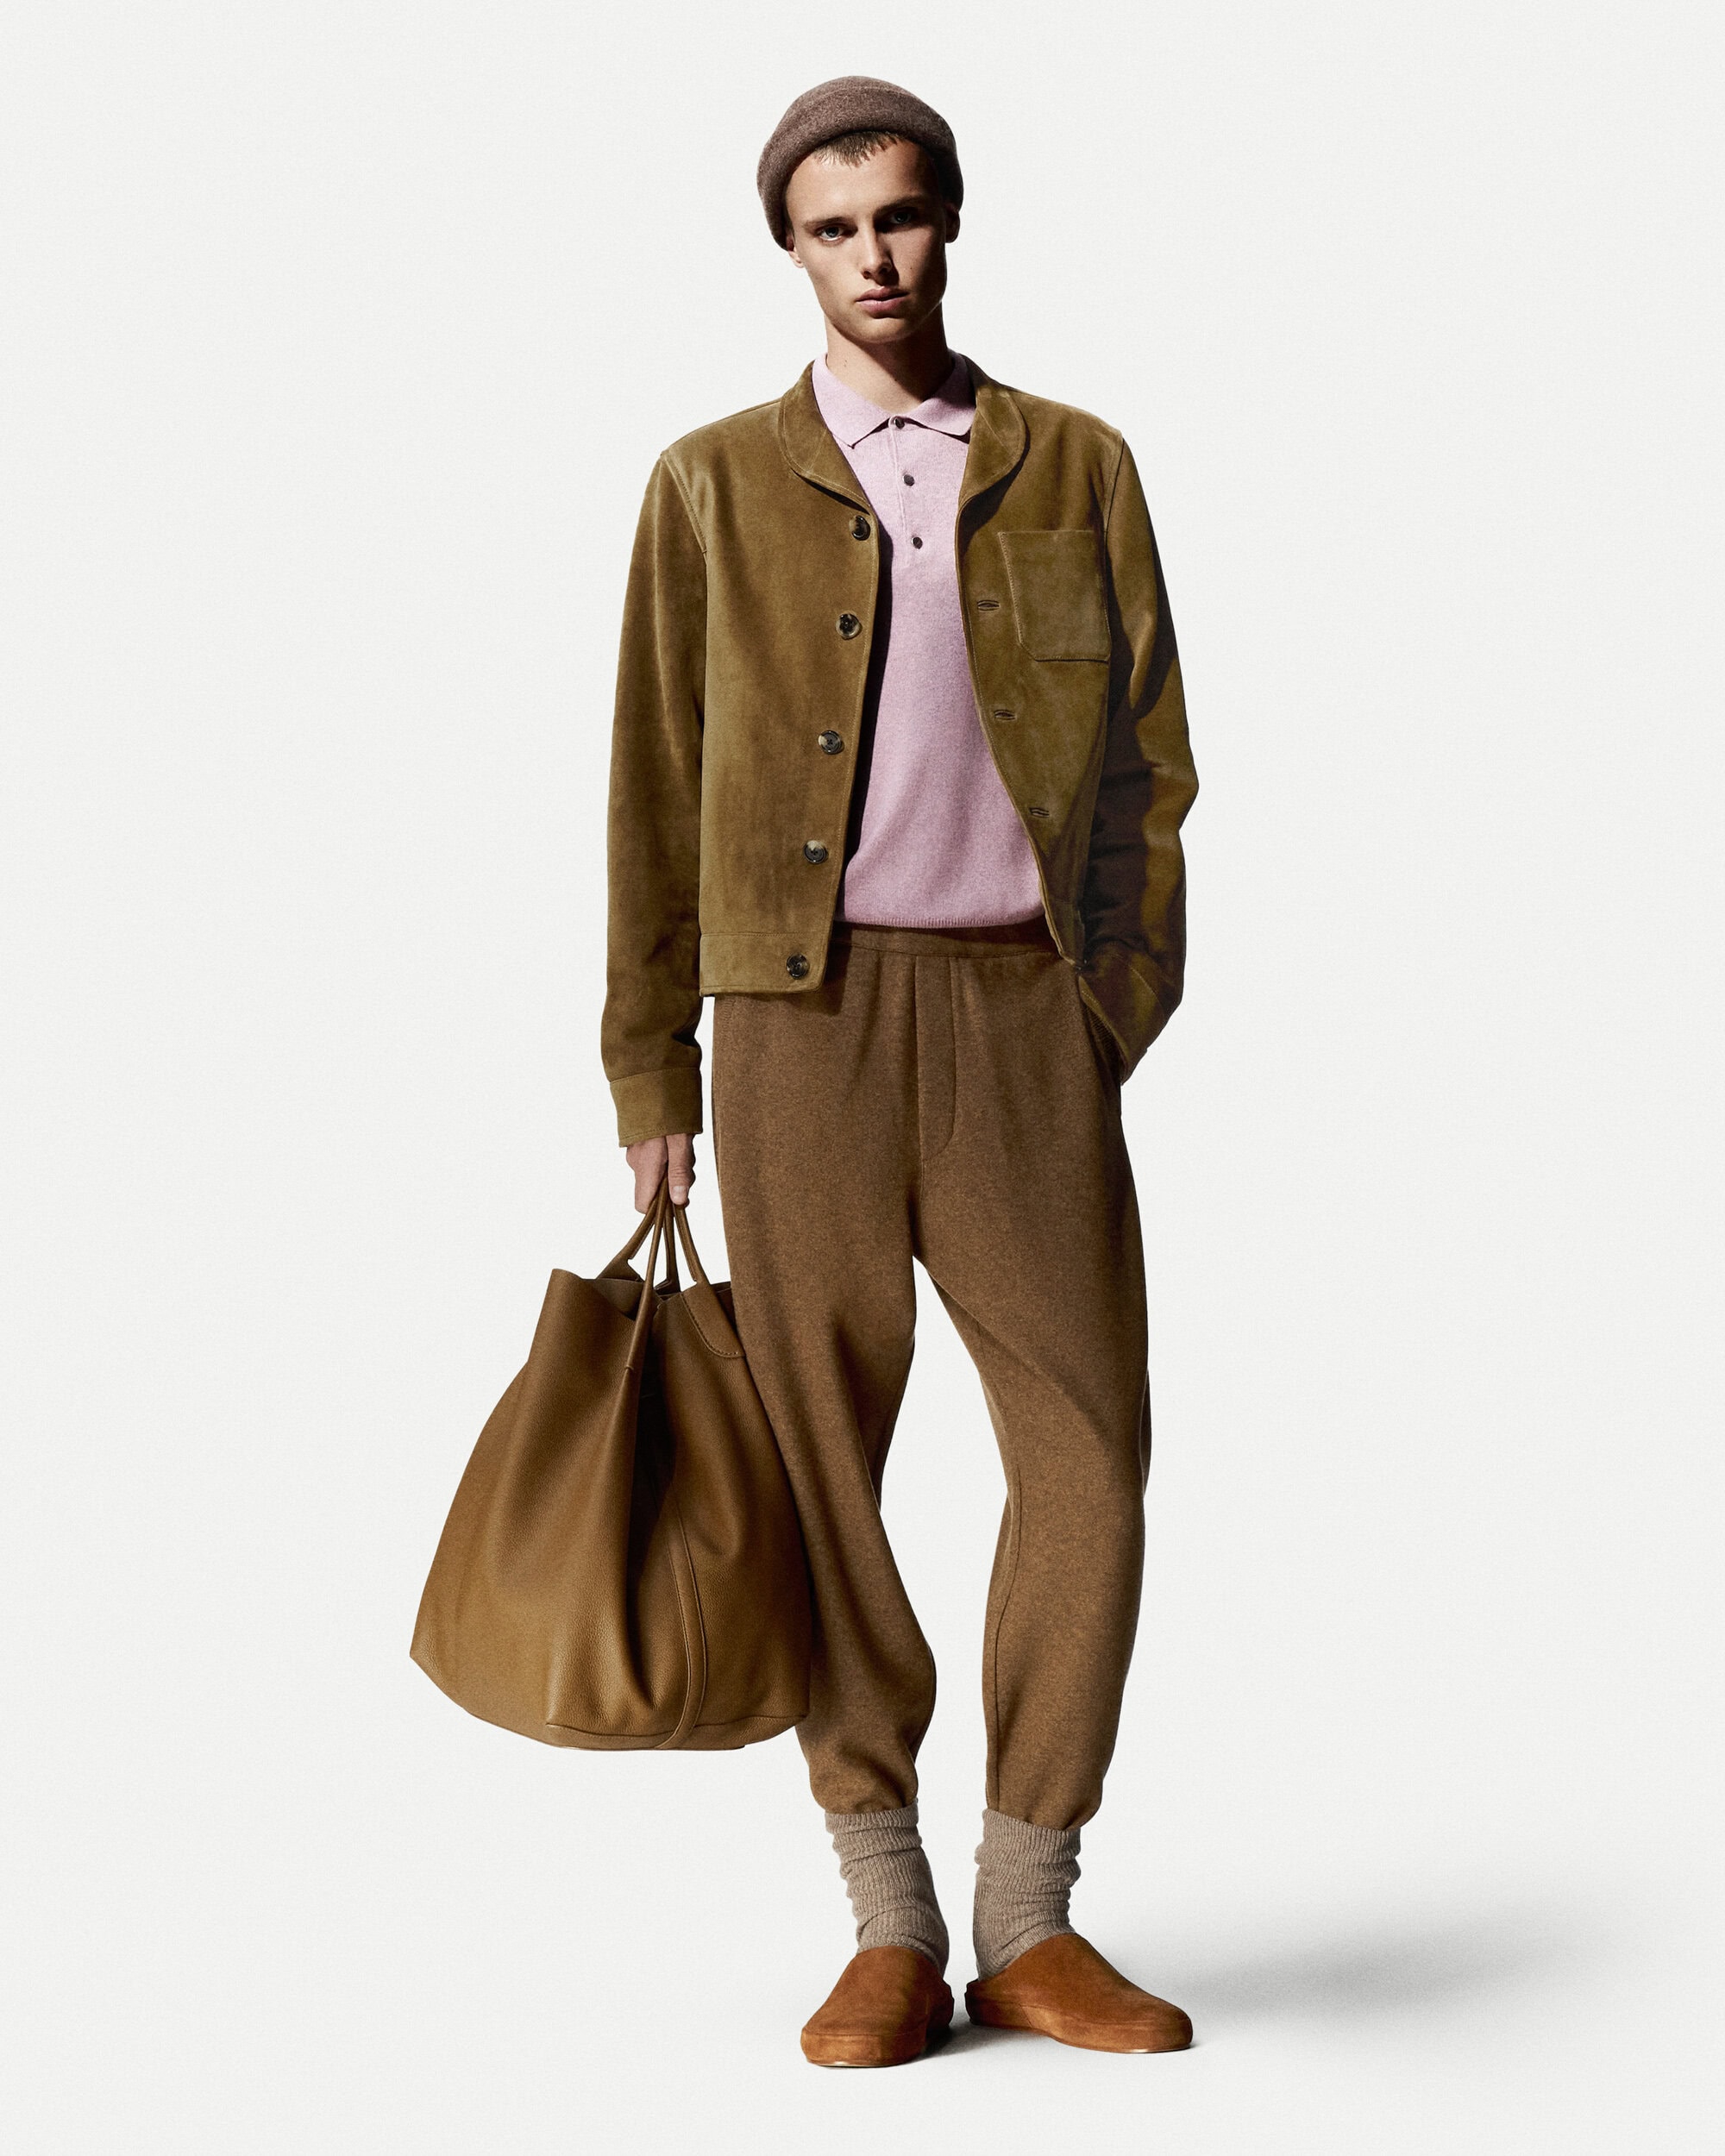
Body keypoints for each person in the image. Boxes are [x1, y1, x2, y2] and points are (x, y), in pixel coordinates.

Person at [601, 75, 1198, 2066]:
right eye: (834, 226)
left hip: (1026, 1013)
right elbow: (650, 786)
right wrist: (650, 1069)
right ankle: (886, 1911)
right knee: (816, 1462)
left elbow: (1150, 762)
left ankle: (1030, 1913)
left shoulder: (1075, 463)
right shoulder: (707, 484)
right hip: (797, 1027)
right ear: (789, 247)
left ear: (950, 221)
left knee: (1086, 1452)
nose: (876, 255)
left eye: (904, 214)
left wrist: (1107, 1003)